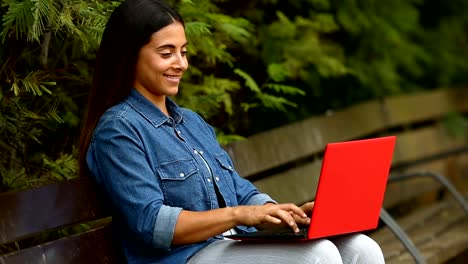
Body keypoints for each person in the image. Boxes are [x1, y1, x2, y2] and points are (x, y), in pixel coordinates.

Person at [78, 0, 386, 263]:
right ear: (130, 55)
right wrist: (239, 215)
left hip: (232, 245)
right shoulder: (118, 130)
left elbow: (240, 191)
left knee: (360, 248)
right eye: (166, 52)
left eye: (183, 51)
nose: (181, 63)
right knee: (316, 256)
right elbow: (151, 224)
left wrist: (275, 213)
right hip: (183, 257)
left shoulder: (191, 122)